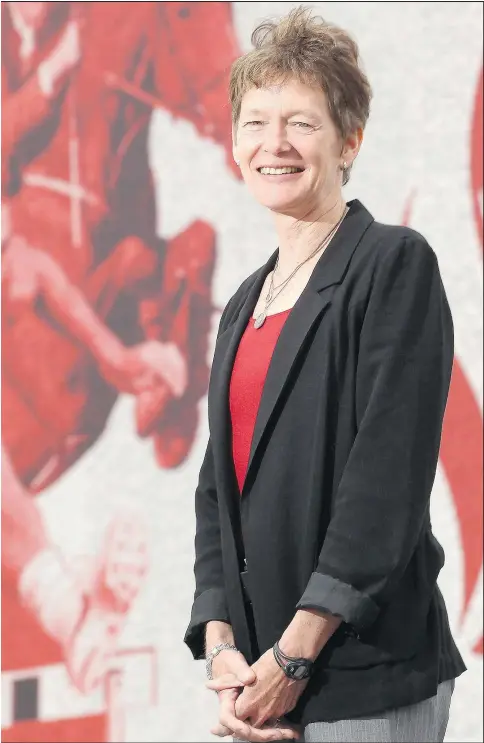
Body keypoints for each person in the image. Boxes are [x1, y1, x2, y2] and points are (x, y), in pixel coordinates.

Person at [185, 8, 466, 742]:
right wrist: (222, 647)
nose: (273, 144)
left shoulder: (391, 266)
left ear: (350, 141)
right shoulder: (244, 302)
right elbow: (219, 487)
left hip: (360, 679)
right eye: (255, 122)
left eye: (301, 123)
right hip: (257, 683)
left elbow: (385, 484)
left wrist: (295, 655)